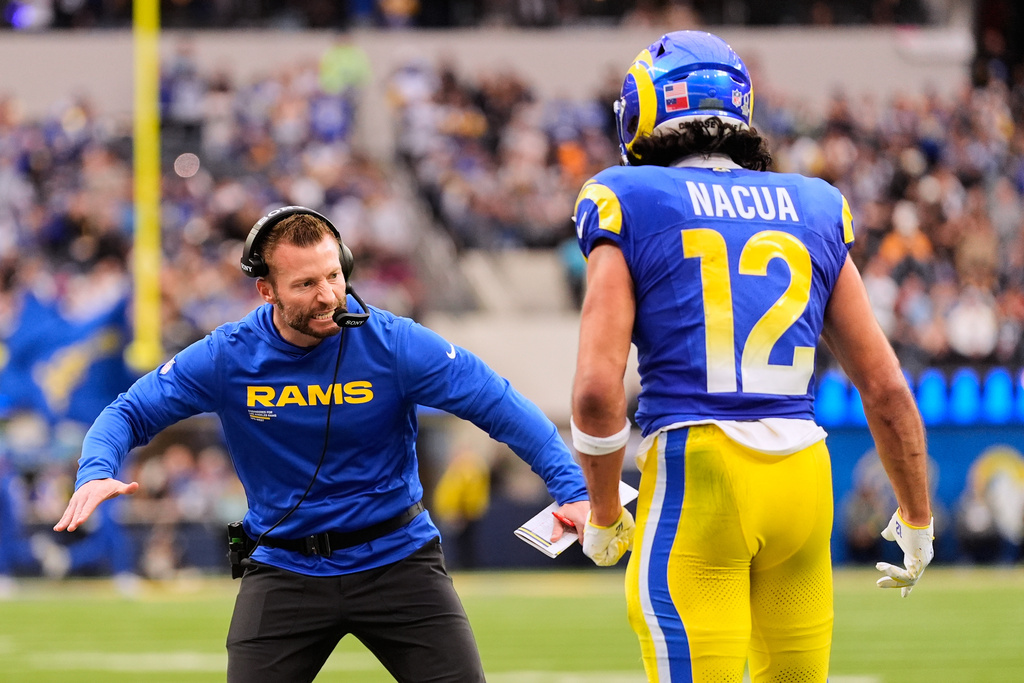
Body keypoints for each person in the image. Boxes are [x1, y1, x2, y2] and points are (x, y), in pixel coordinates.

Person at [54, 205, 590, 682]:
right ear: (266, 290)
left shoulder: (395, 343)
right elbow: (127, 411)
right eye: (306, 284)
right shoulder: (227, 357)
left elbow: (500, 405)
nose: (329, 295)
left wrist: (571, 489)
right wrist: (95, 469)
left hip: (398, 561)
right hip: (284, 570)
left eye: (334, 275)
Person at [570, 31, 934, 682]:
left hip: (699, 471)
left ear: (643, 110)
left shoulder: (627, 195)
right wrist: (917, 516)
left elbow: (598, 391)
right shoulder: (815, 204)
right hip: (803, 474)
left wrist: (601, 510)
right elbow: (886, 390)